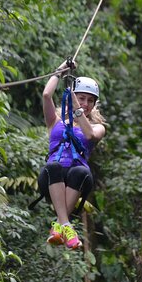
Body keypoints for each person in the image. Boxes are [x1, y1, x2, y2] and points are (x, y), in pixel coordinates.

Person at [38, 59, 106, 250]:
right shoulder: (55, 121)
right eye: (81, 98)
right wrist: (60, 71)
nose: (85, 104)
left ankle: (60, 225)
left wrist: (75, 107)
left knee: (80, 172)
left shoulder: (97, 127)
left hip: (79, 178)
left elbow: (90, 135)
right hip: (52, 176)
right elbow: (46, 95)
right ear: (73, 96)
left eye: (90, 100)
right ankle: (65, 225)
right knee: (53, 166)